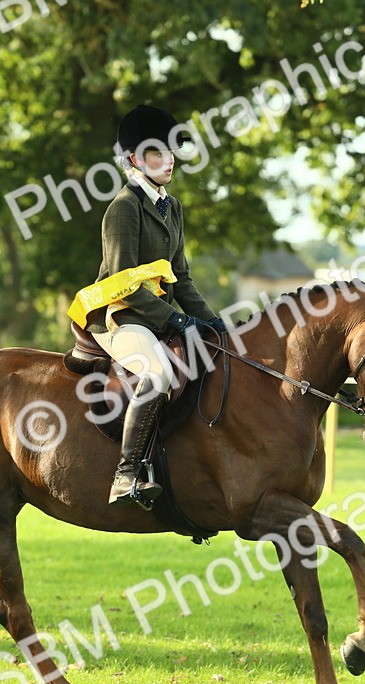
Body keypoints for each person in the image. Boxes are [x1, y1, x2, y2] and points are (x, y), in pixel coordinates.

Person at [87, 104, 225, 507]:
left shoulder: (172, 206)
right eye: (156, 154)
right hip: (120, 316)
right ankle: (126, 473)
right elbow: (122, 283)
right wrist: (176, 320)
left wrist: (213, 322)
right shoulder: (124, 207)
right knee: (159, 372)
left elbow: (180, 278)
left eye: (170, 152)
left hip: (157, 319)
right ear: (134, 160)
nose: (168, 160)